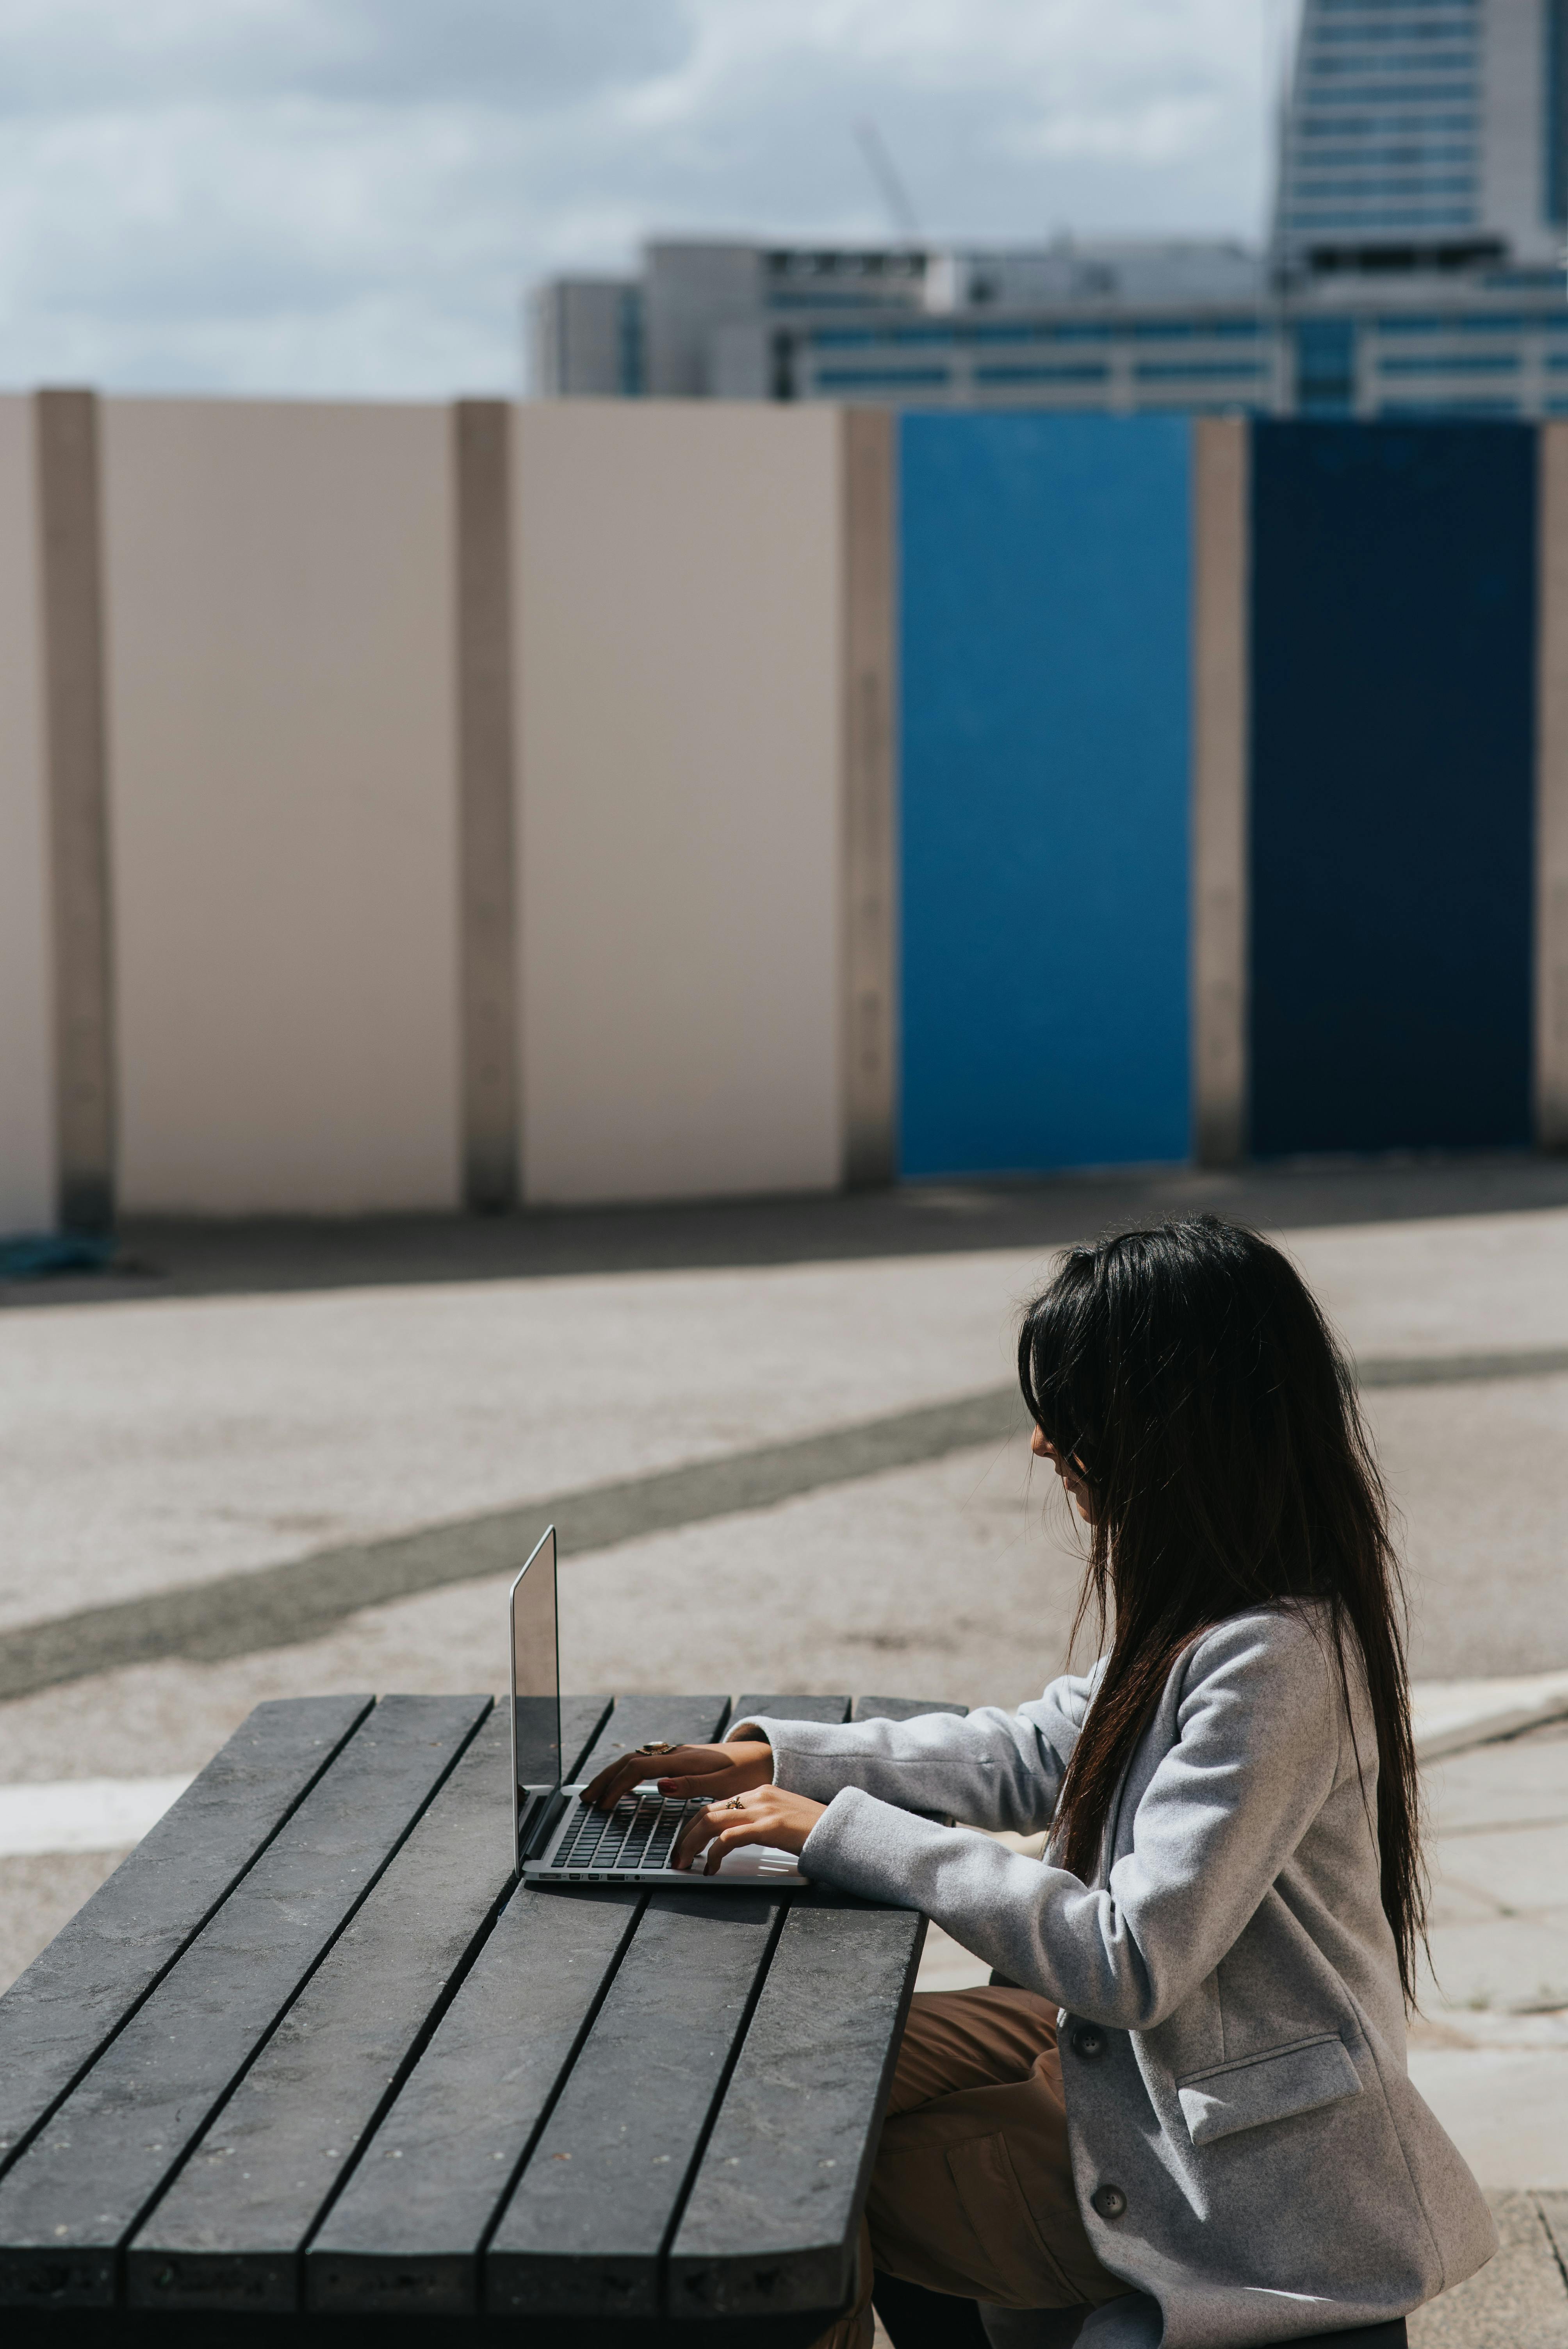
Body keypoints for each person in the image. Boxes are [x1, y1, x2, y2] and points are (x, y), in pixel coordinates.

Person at [583, 1217, 1497, 2348]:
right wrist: (782, 1757)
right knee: (788, 2076)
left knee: (804, 2173)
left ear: (1171, 1430)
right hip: (1134, 2065)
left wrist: (839, 1831)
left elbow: (1128, 1958)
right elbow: (1033, 1751)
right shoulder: (1213, 1604)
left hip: (1233, 2162)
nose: (1039, 1445)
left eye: (1070, 1414)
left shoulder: (1278, 1654)